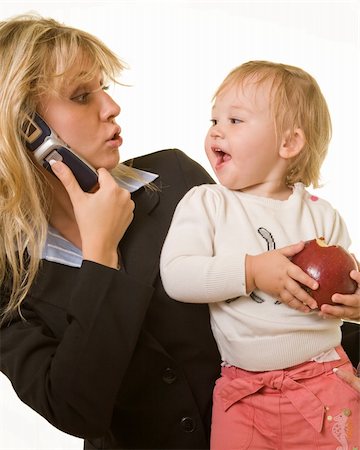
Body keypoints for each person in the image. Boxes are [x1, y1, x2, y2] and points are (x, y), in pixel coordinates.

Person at [0, 16, 359, 450]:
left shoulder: (174, 178)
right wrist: (100, 254)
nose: (111, 107)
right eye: (81, 96)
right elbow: (78, 409)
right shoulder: (11, 276)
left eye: (104, 88)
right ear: (24, 128)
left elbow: (279, 299)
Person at [160, 60, 360, 449]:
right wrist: (252, 271)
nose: (216, 129)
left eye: (235, 120)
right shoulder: (208, 203)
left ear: (288, 143)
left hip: (324, 383)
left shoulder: (320, 214)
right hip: (244, 393)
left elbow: (348, 283)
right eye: (214, 118)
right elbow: (177, 275)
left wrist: (356, 303)